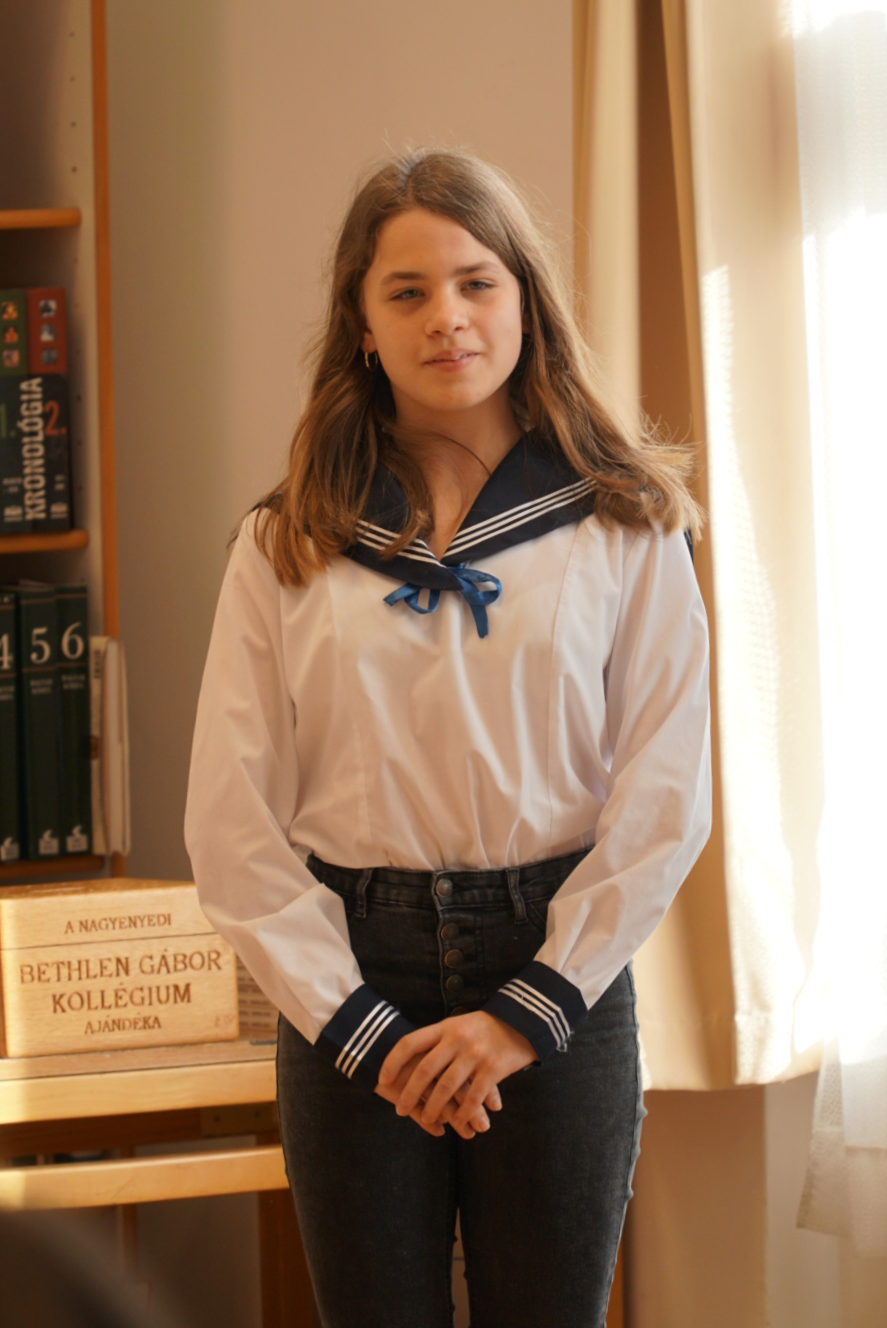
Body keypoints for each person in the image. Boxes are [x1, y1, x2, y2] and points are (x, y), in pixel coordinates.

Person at [185, 147, 711, 1328]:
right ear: (361, 325)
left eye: (476, 282)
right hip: (348, 972)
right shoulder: (286, 542)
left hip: (556, 961)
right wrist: (361, 1030)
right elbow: (229, 821)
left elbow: (665, 796)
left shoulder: (624, 527)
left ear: (525, 300)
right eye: (407, 291)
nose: (447, 318)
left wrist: (527, 1010)